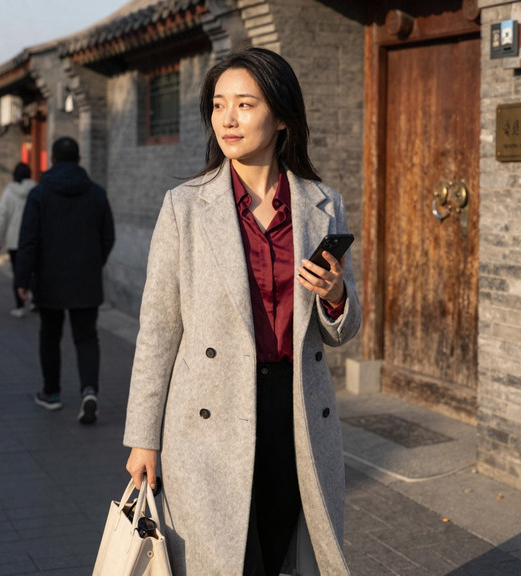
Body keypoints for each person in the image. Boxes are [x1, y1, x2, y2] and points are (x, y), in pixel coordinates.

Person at [123, 47, 361, 576]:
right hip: (209, 413)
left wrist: (334, 295)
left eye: (245, 105)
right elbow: (158, 330)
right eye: (218, 105)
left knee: (284, 552)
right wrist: (143, 436)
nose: (228, 119)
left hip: (294, 410)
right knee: (222, 559)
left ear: (280, 116)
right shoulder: (185, 206)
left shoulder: (322, 203)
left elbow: (343, 330)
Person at [15, 137, 114, 425]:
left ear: (53, 160)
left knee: (50, 335)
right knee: (86, 337)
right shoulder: (96, 193)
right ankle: (89, 391)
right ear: (79, 159)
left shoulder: (40, 194)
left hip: (49, 280)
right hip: (86, 280)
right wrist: (94, 263)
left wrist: (22, 278)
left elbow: (28, 240)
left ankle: (52, 393)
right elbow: (108, 236)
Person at [0, 162, 35, 318]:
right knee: (34, 270)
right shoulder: (36, 190)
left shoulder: (8, 193)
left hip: (15, 241)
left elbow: (2, 217)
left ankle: (20, 306)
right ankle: (35, 300)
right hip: (34, 240)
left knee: (19, 273)